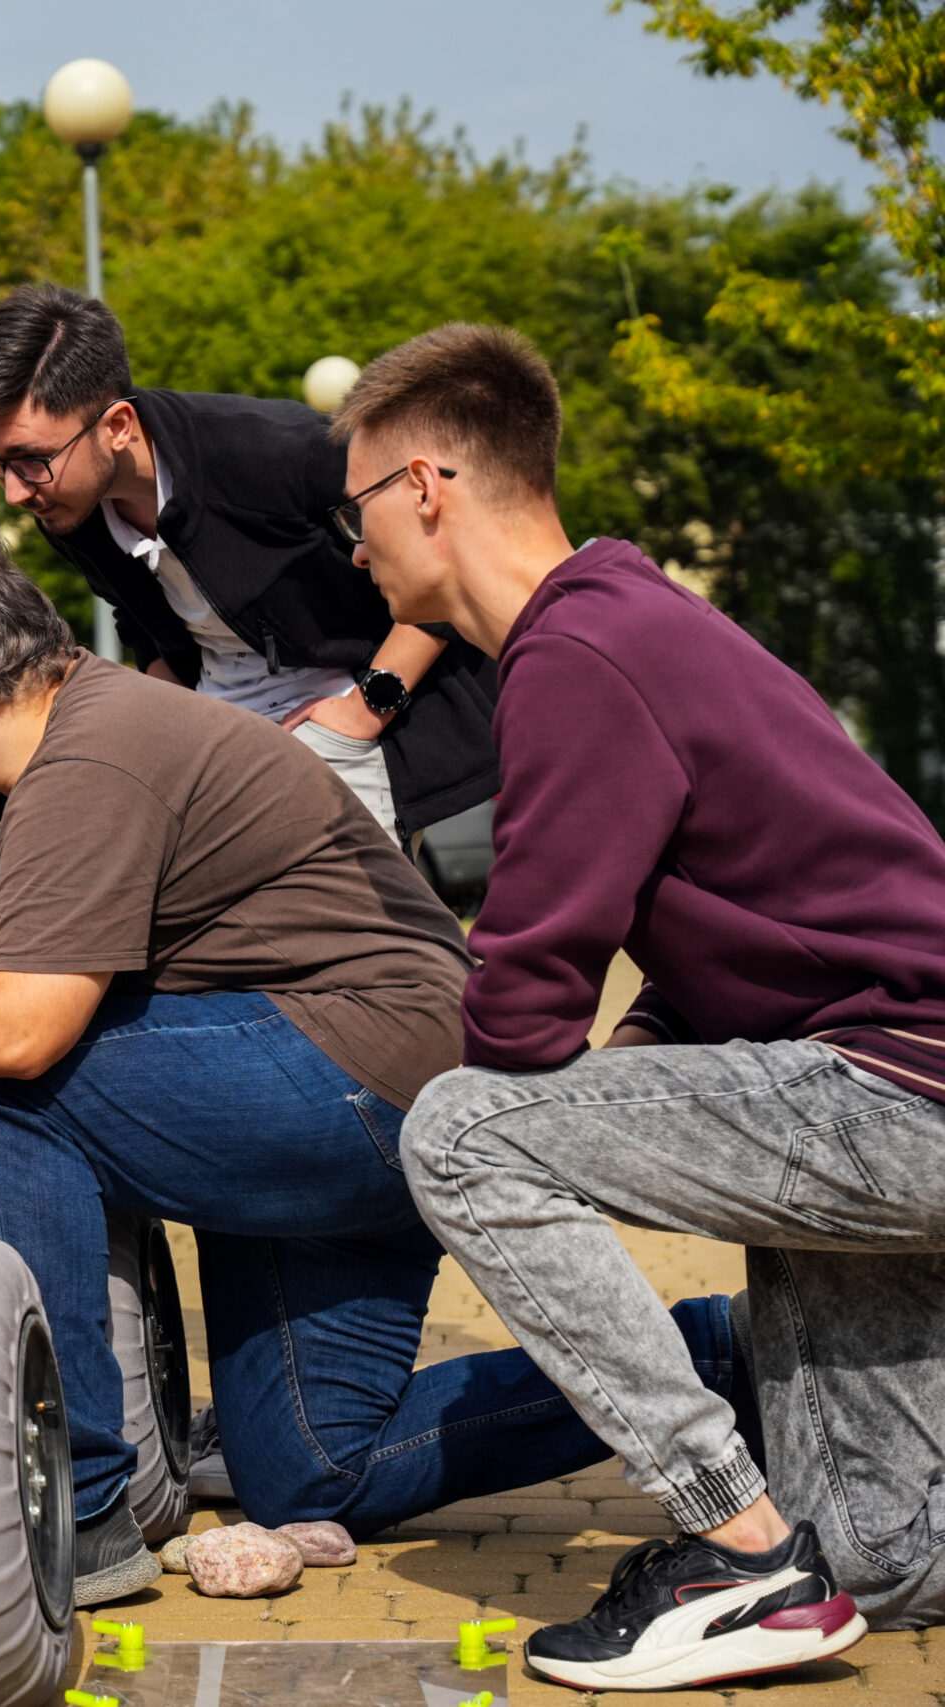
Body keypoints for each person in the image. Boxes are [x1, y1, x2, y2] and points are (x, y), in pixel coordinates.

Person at [0, 519, 743, 1610]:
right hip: (310, 1087)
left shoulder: (92, 754)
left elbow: (16, 1028)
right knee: (315, 1473)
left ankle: (80, 1504)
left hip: (371, 1076)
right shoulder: (0, 786)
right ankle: (721, 1356)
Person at [338, 322, 945, 1690]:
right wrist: (648, 1062)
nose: (354, 548)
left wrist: (588, 1084)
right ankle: (807, 1566)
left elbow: (519, 1019)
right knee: (880, 1554)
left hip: (893, 1091)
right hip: (884, 1077)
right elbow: (756, 922)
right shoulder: (631, 617)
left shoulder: (578, 653)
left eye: (356, 508)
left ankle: (737, 1550)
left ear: (424, 487)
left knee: (461, 1133)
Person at [0, 284, 500, 848]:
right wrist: (164, 729)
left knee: (336, 905)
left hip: (348, 716)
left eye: (31, 460)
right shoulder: (68, 505)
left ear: (117, 427)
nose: (14, 492)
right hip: (217, 728)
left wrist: (365, 709)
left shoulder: (277, 451)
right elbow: (140, 621)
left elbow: (443, 547)